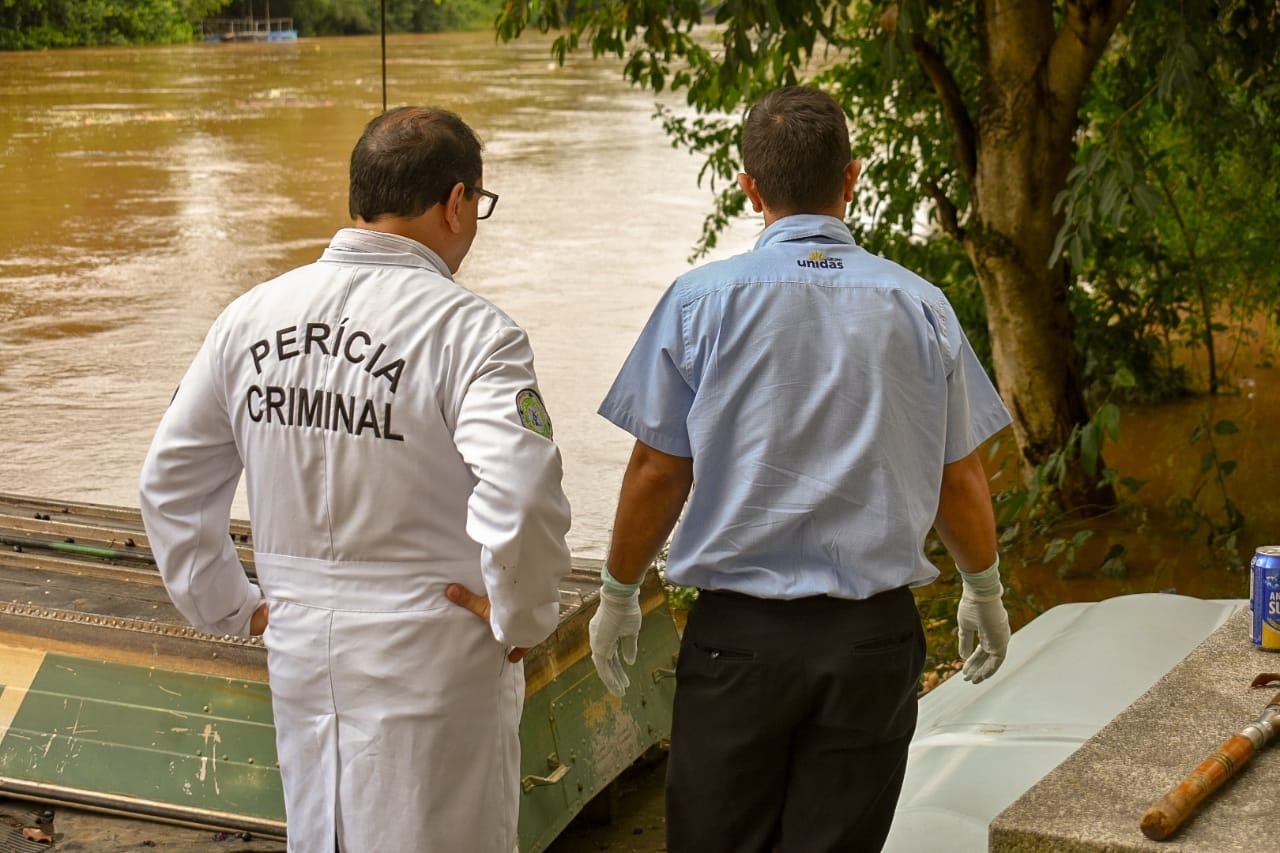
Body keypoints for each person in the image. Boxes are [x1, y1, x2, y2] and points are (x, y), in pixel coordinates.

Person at [588, 86, 1013, 853]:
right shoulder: (920, 305)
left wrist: (619, 592)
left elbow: (656, 469)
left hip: (738, 643)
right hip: (873, 642)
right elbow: (959, 478)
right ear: (851, 179)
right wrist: (983, 586)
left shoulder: (698, 303)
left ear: (749, 187)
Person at [139, 106, 572, 852]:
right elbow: (524, 492)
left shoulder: (247, 319)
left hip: (304, 648)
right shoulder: (472, 332)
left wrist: (232, 605)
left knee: (324, 831)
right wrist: (521, 615)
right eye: (480, 207)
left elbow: (171, 484)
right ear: (458, 203)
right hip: (435, 654)